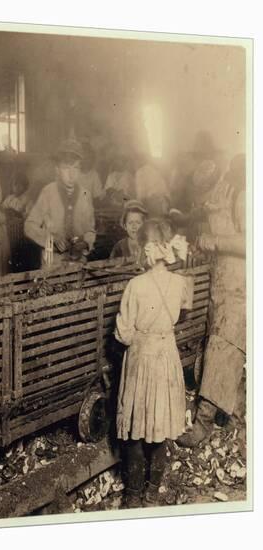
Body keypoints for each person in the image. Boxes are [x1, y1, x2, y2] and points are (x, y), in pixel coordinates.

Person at [115, 218, 192, 507]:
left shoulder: (135, 285)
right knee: (159, 430)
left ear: (147, 250)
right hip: (167, 355)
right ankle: (152, 494)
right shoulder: (180, 282)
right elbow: (183, 315)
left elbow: (123, 333)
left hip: (141, 357)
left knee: (135, 429)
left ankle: (132, 496)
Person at [177, 154, 246, 447]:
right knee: (224, 348)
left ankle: (203, 423)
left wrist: (213, 241)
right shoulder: (221, 192)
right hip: (222, 282)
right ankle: (234, 414)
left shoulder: (242, 195)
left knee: (224, 347)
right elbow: (207, 213)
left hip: (239, 286)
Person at [24, 138, 96, 267]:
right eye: (66, 168)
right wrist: (51, 239)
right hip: (52, 262)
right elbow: (29, 226)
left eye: (76, 168)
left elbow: (90, 230)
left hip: (78, 262)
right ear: (57, 170)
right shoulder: (48, 192)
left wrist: (85, 243)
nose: (71, 174)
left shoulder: (85, 195)